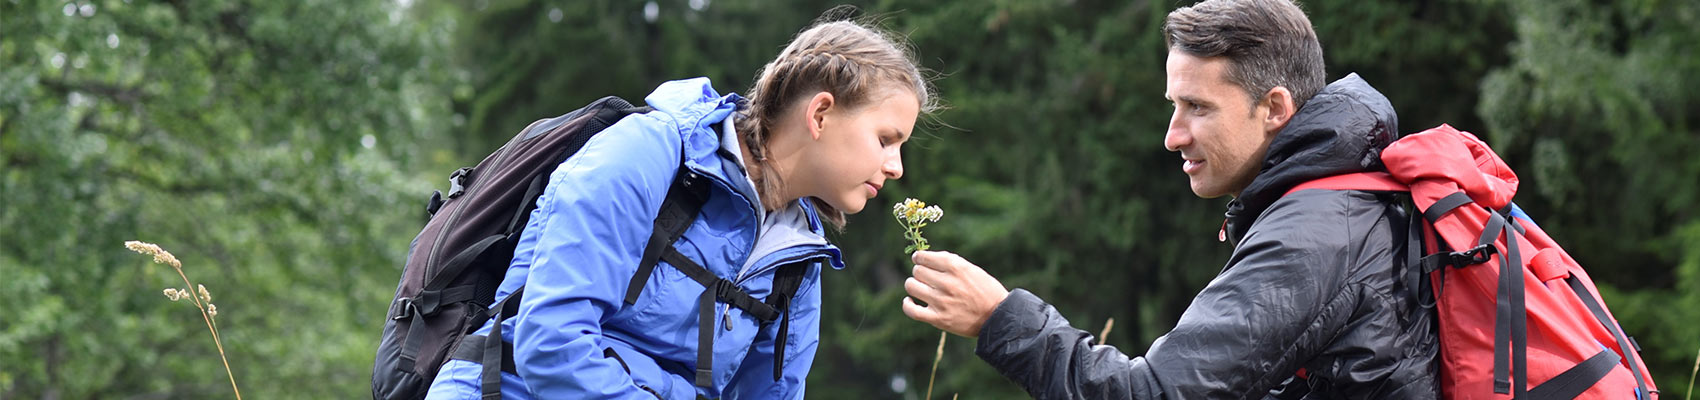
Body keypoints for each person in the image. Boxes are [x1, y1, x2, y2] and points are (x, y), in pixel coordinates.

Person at [900, 0, 1439, 398]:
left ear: (1274, 108)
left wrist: (999, 318)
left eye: (1197, 107)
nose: (1172, 135)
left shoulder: (1315, 234)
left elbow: (1154, 394)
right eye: (1172, 105)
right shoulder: (1349, 202)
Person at [425, 15, 936, 399]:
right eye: (886, 139)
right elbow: (550, 346)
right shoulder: (647, 153)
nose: (896, 168)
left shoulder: (798, 258)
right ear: (821, 114)